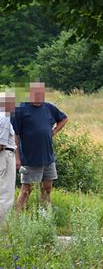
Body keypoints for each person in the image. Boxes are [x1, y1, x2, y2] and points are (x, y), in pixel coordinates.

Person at [13, 82, 68, 210]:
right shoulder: (21, 109)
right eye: (37, 93)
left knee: (47, 188)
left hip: (48, 157)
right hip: (30, 158)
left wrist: (53, 132)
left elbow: (64, 118)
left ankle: (45, 214)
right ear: (30, 93)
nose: (39, 96)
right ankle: (18, 217)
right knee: (27, 189)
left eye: (41, 93)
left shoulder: (49, 107)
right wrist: (17, 158)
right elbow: (14, 135)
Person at [0, 92, 19, 218]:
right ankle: (3, 226)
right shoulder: (4, 117)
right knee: (5, 192)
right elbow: (1, 144)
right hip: (5, 155)